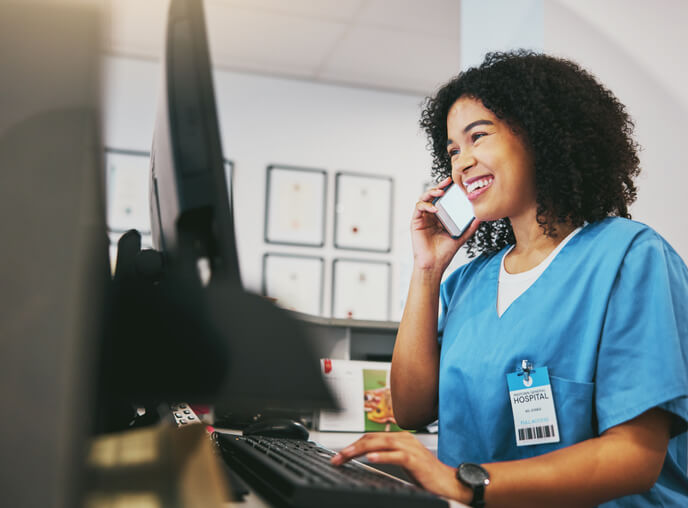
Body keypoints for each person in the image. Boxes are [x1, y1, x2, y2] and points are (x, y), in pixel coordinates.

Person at [331, 50, 688, 507]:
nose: (461, 163)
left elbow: (634, 458)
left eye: (478, 137)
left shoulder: (632, 259)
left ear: (543, 137)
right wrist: (427, 269)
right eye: (453, 151)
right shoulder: (469, 281)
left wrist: (466, 484)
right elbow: (411, 409)